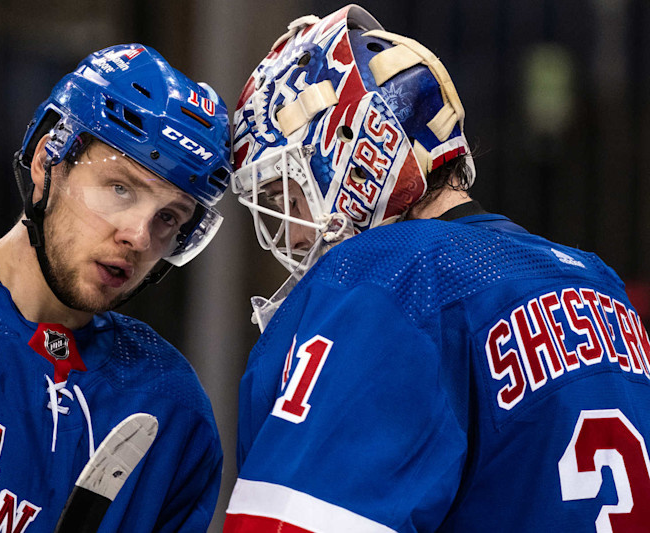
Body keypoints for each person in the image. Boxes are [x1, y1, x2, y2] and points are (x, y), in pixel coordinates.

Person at [224, 5, 650, 532]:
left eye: (287, 193)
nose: (291, 234)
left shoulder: (389, 275)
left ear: (355, 158)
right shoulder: (598, 282)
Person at [0, 44, 232, 532]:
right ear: (47, 160)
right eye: (121, 188)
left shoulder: (170, 408)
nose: (139, 237)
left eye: (169, 217)